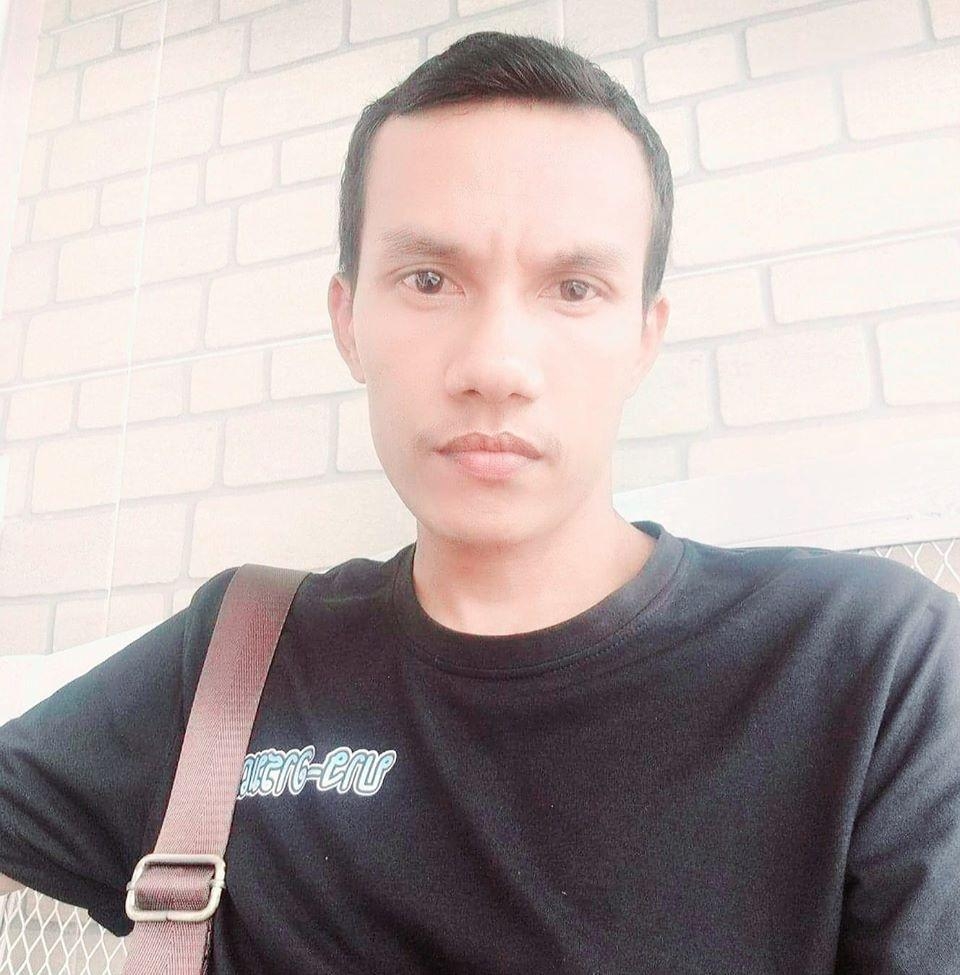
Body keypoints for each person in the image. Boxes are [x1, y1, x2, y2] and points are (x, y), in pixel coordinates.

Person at [1, 29, 958, 975]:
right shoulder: (241, 655)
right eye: (429, 280)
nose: (495, 365)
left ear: (643, 337)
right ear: (348, 320)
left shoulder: (873, 667)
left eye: (574, 288)